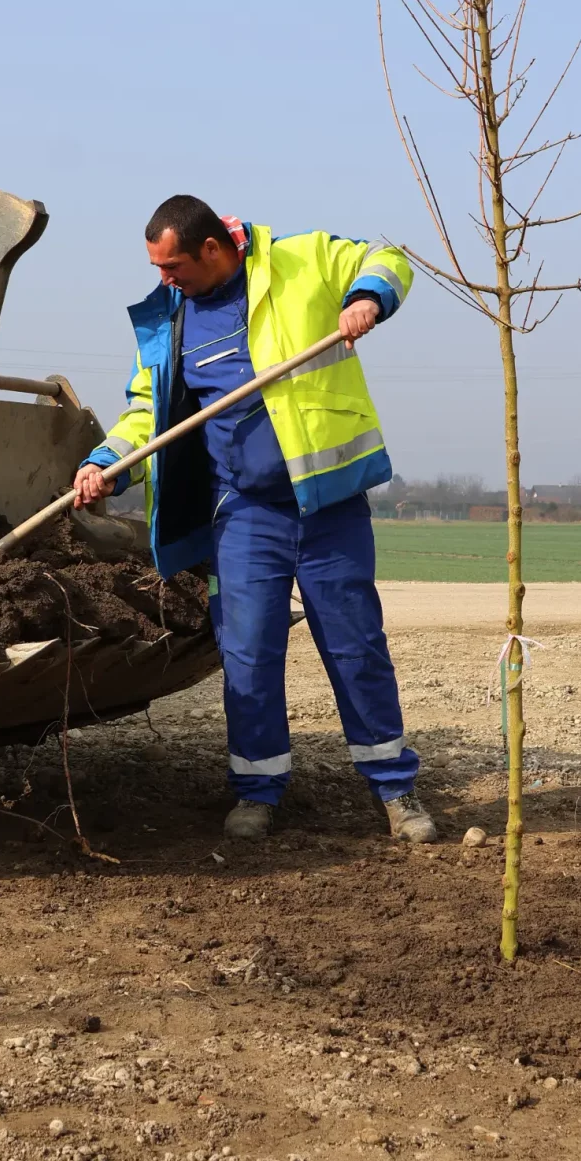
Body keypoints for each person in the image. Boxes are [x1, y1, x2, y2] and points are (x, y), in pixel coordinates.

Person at [73, 195, 437, 846]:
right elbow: (147, 413)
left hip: (328, 505)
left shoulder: (301, 261)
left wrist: (368, 298)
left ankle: (394, 790)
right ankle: (258, 791)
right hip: (243, 514)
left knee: (355, 646)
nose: (165, 280)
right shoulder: (173, 320)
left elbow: (389, 257)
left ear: (212, 249)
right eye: (159, 268)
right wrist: (107, 462)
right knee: (248, 654)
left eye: (173, 265)